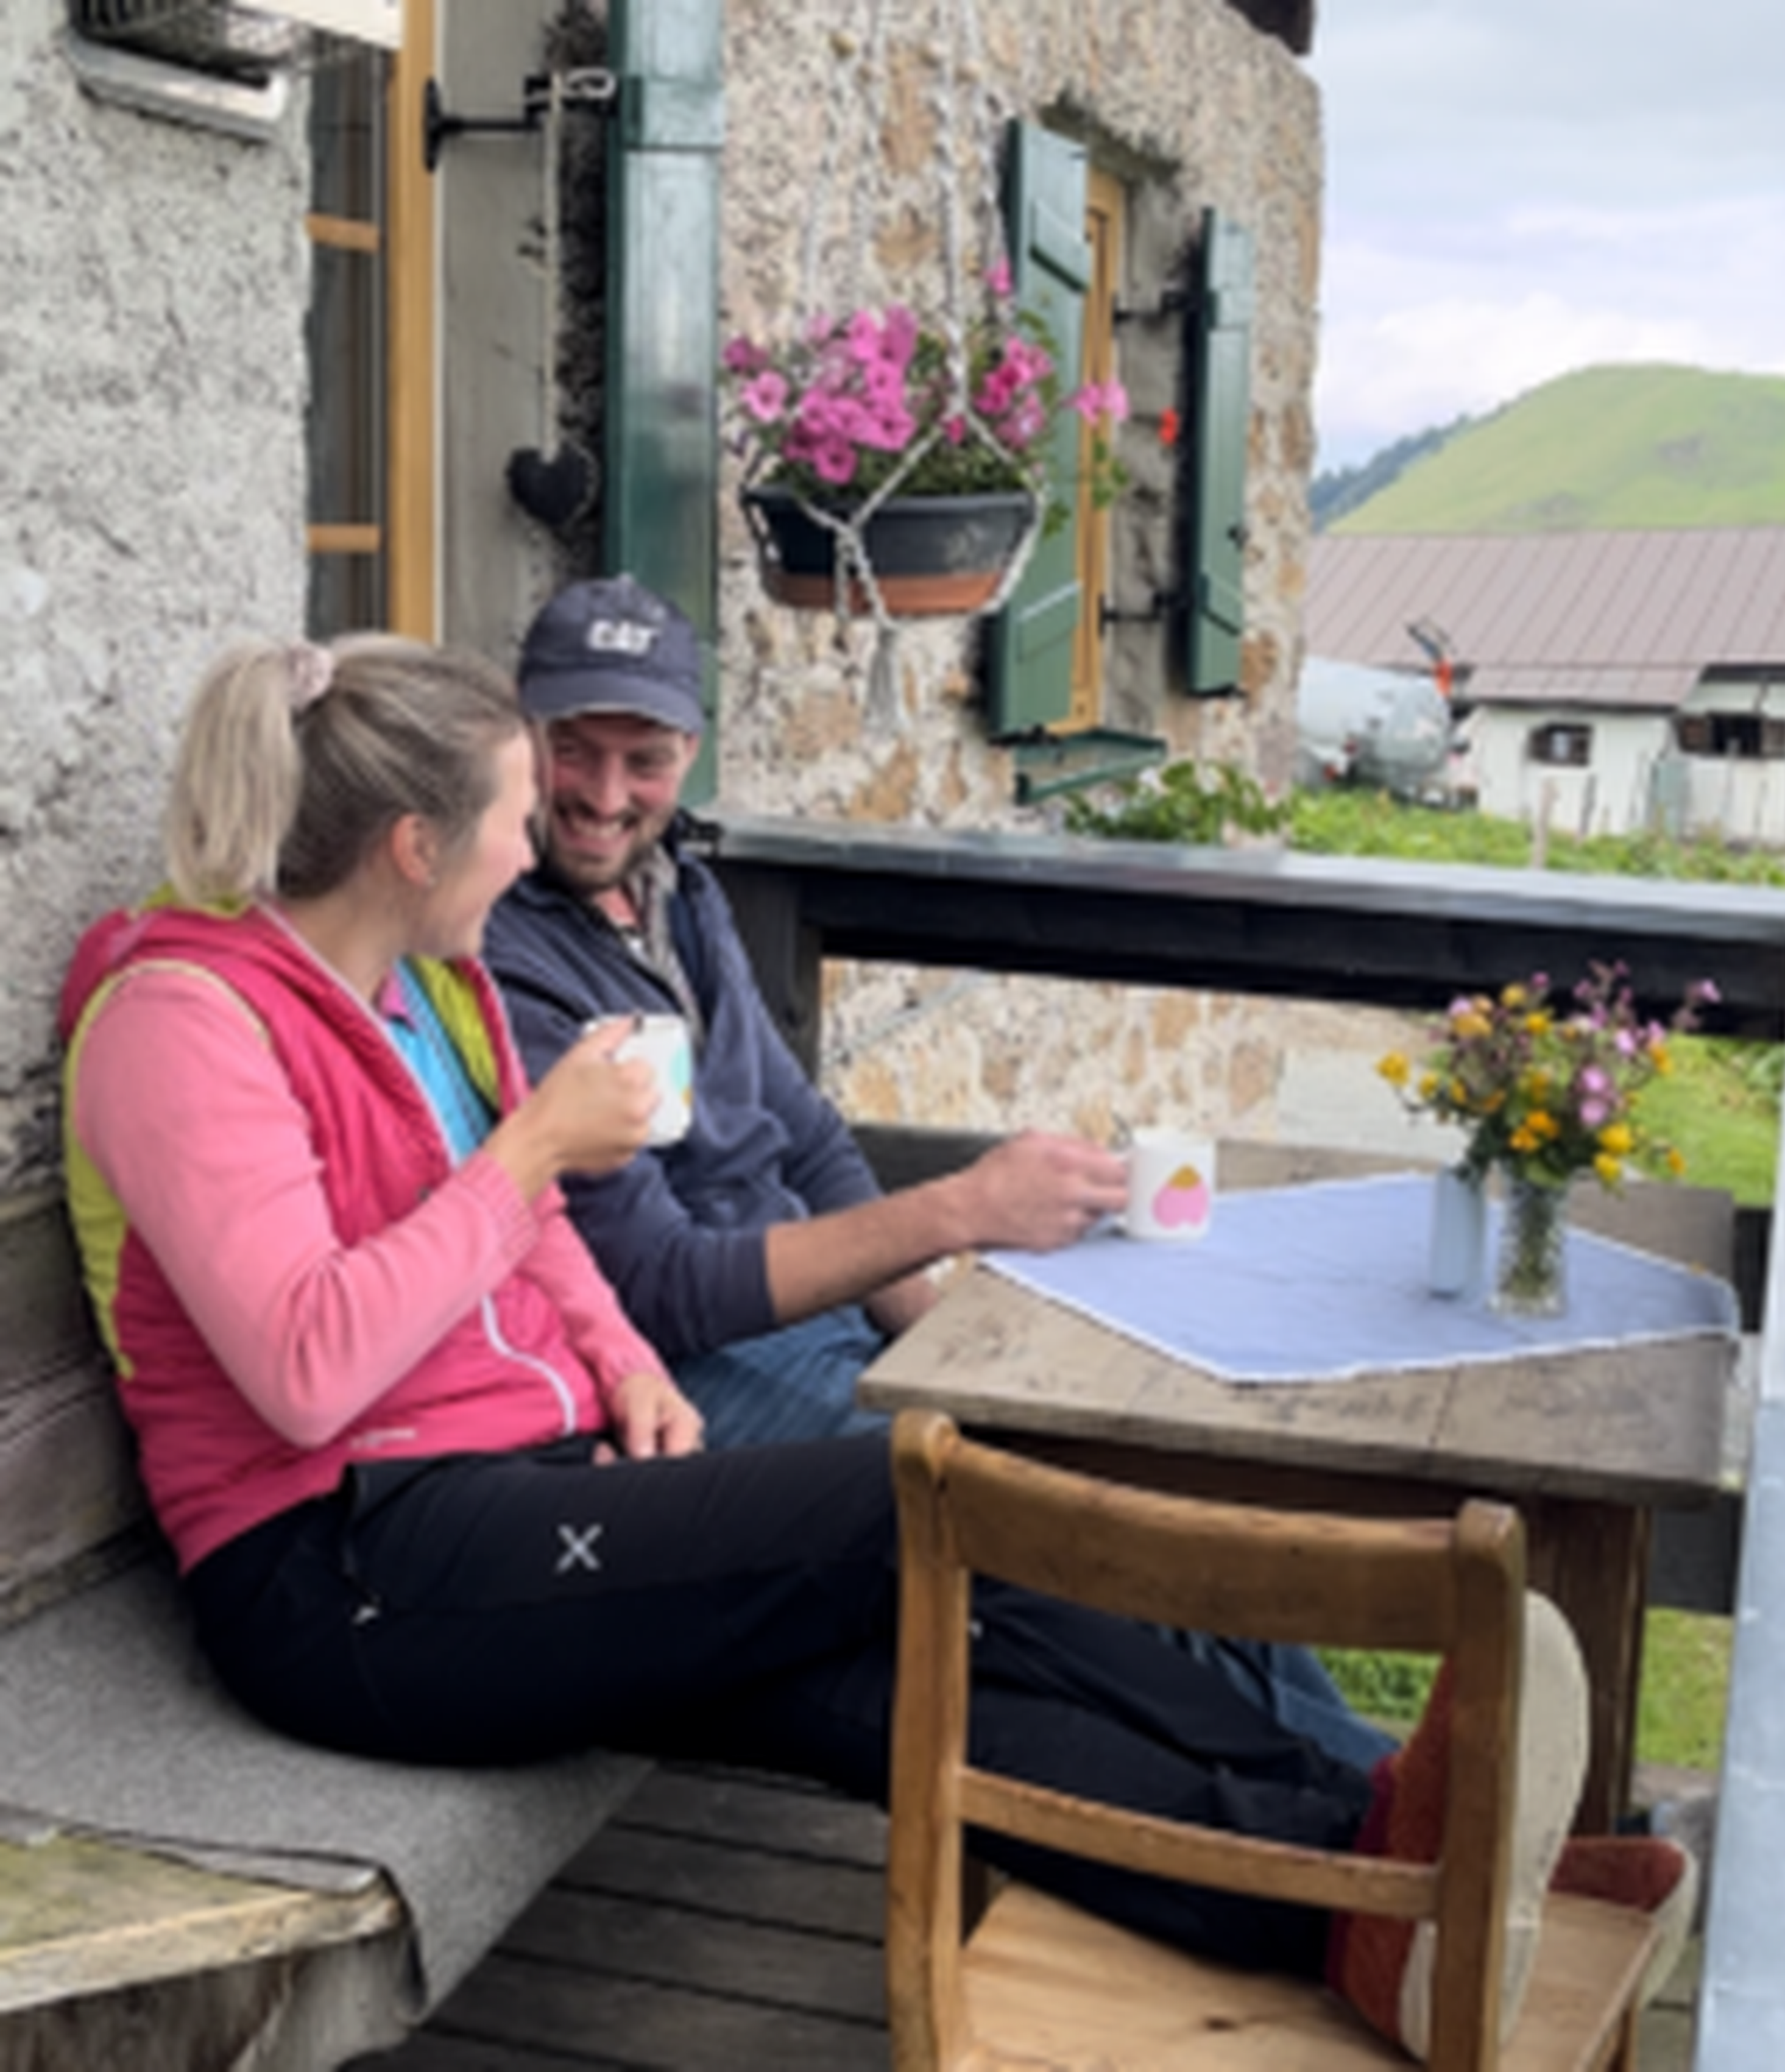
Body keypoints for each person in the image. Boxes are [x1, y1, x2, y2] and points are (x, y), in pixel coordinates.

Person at [58, 631, 1686, 2057]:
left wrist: (623, 1365)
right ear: (415, 844)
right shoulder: (182, 1022)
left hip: (506, 1493)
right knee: (916, 1502)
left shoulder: (430, 993)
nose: (528, 845)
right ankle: (1391, 1842)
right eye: (506, 812)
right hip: (341, 1568)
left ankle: (1362, 1888)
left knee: (908, 1684)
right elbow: (305, 1368)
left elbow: (539, 1241)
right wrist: (533, 1147)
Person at [479, 573, 1385, 1770]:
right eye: (570, 751)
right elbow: (661, 1287)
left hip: (809, 1334)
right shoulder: (504, 948)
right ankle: (1366, 1809)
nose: (603, 795)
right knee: (1051, 1524)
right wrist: (957, 1209)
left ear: (689, 752)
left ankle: (1389, 1783)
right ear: (515, 740)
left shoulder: (679, 891)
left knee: (1117, 1477)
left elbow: (799, 1132)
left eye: (641, 756)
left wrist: (927, 1324)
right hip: (682, 1380)